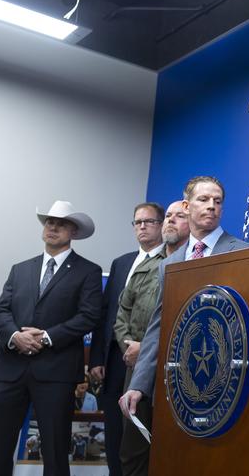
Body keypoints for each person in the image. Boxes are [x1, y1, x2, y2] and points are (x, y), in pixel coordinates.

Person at [0, 200, 103, 476]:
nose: (53, 227)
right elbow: (0, 310)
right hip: (10, 369)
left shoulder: (88, 271)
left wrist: (47, 337)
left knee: (55, 451)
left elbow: (89, 316)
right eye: (50, 222)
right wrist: (15, 336)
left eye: (61, 224)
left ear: (73, 231)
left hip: (56, 373)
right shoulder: (20, 269)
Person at [119, 177, 249, 419]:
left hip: (226, 382)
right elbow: (158, 326)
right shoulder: (169, 264)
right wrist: (138, 385)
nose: (211, 206)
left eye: (217, 201)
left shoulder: (244, 253)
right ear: (187, 206)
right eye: (204, 199)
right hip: (178, 382)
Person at [88, 202, 164, 476]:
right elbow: (107, 313)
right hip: (115, 359)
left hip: (146, 359)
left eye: (149, 221)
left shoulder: (170, 261)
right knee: (113, 430)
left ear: (161, 224)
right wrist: (97, 358)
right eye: (137, 222)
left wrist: (142, 350)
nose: (142, 227)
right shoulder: (121, 263)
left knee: (137, 433)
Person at [114, 200, 189, 476]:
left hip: (174, 369)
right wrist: (129, 347)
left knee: (171, 448)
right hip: (136, 369)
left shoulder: (195, 264)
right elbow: (122, 312)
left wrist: (145, 348)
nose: (170, 221)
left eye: (179, 216)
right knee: (132, 448)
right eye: (167, 216)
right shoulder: (146, 265)